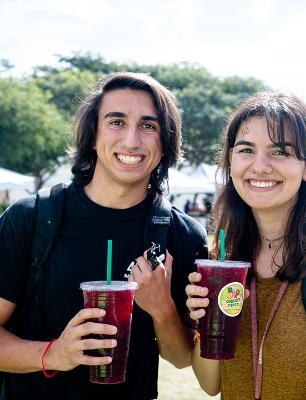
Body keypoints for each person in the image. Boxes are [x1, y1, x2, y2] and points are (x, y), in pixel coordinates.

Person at [0, 72, 208, 400]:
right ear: (93, 135)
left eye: (148, 126)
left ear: (165, 143)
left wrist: (162, 307)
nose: (131, 141)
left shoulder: (182, 235)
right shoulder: (30, 220)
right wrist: (53, 354)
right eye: (116, 122)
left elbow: (181, 358)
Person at [186, 92, 306, 399]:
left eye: (279, 151)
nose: (260, 166)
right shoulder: (224, 259)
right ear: (230, 161)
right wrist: (205, 322)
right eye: (246, 150)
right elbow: (211, 384)